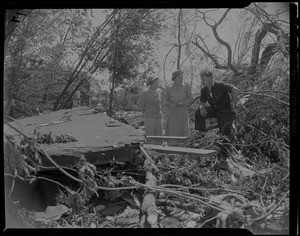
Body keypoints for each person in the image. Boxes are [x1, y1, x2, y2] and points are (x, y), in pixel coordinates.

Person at [195, 69, 238, 157]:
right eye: (201, 79)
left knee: (225, 133)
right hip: (215, 110)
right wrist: (202, 108)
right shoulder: (204, 90)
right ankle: (202, 137)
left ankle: (224, 155)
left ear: (210, 78)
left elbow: (235, 89)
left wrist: (233, 103)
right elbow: (201, 103)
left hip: (226, 111)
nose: (202, 81)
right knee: (198, 112)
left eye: (204, 79)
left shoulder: (220, 85)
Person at [165, 69, 193, 146]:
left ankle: (184, 147)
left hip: (182, 111)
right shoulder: (168, 87)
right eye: (180, 77)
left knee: (183, 129)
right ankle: (172, 147)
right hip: (173, 112)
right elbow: (166, 100)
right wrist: (170, 104)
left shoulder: (186, 86)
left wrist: (183, 103)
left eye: (182, 77)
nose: (182, 79)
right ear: (175, 78)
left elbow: (191, 98)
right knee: (172, 130)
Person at [139, 77, 163, 144]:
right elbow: (141, 106)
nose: (157, 84)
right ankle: (150, 151)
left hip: (158, 117)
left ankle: (159, 151)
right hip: (149, 117)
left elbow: (160, 104)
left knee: (159, 136)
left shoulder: (158, 92)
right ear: (151, 83)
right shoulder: (145, 92)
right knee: (150, 136)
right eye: (156, 83)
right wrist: (146, 112)